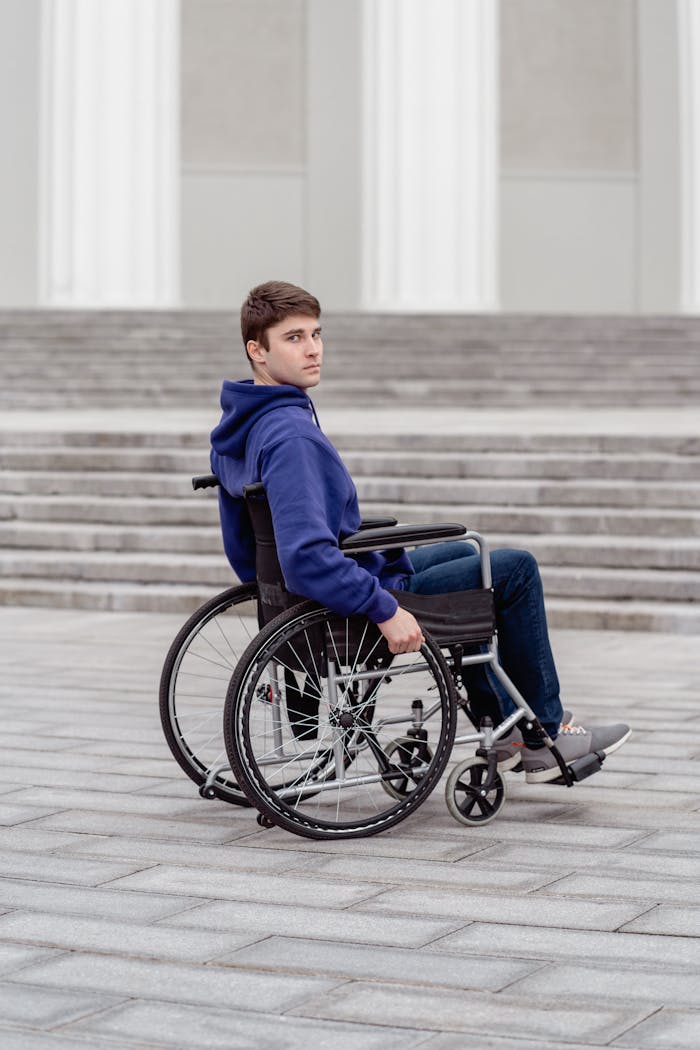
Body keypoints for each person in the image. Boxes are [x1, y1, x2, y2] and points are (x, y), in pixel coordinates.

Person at [211, 280, 630, 783]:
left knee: (464, 555)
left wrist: (274, 601)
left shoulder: (241, 427)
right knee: (514, 570)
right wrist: (384, 609)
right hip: (345, 600)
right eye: (294, 338)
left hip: (308, 594)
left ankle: (502, 726)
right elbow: (306, 556)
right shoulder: (291, 437)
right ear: (257, 350)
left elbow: (246, 549)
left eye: (316, 334)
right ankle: (543, 734)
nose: (314, 349)